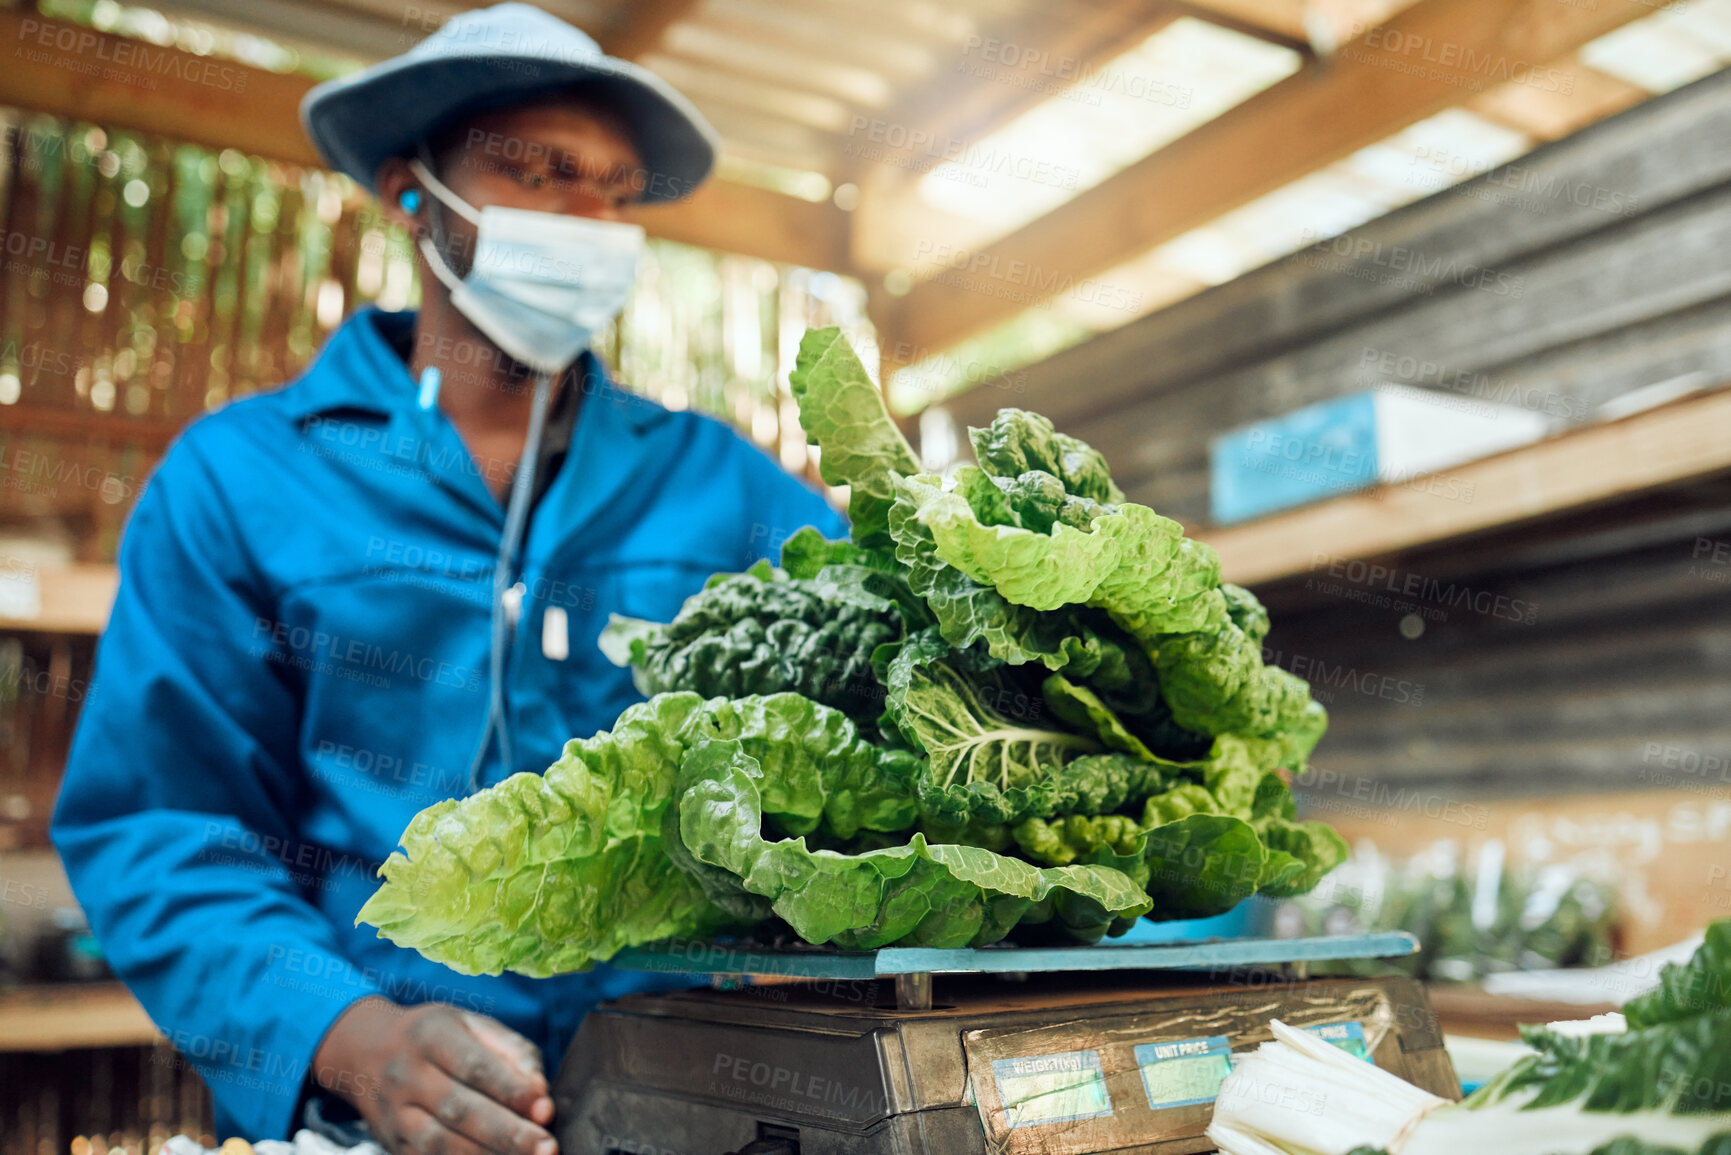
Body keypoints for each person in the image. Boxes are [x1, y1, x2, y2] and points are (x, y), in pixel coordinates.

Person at [50, 5, 847, 1152]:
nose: (595, 223)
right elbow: (163, 825)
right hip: (369, 1121)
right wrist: (350, 1037)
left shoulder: (723, 487)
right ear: (410, 192)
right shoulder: (239, 479)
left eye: (618, 192)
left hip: (693, 1106)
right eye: (545, 176)